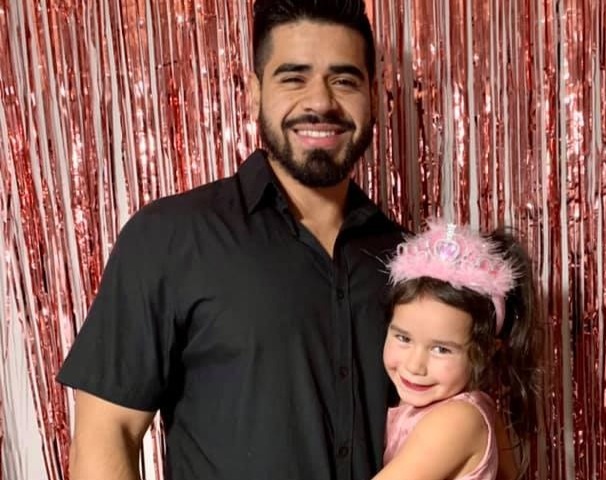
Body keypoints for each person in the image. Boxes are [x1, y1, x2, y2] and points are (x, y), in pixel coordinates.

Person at [57, 1, 406, 479]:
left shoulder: (409, 260)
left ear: (374, 95)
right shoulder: (171, 237)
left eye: (344, 80)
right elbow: (106, 435)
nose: (321, 102)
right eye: (293, 78)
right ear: (253, 92)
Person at [372, 219, 542, 480]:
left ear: (487, 350)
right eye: (403, 338)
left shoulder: (458, 419)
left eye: (441, 349)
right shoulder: (453, 407)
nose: (415, 365)